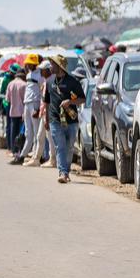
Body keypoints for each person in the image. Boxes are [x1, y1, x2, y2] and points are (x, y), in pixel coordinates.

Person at [45, 54, 86, 183]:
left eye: (52, 64)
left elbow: (83, 99)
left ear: (59, 66)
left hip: (71, 121)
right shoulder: (49, 82)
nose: (50, 66)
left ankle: (65, 171)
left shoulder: (73, 82)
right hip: (55, 120)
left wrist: (70, 102)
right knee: (60, 146)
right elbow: (47, 102)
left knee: (69, 148)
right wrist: (46, 120)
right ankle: (63, 172)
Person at [19, 54, 43, 163]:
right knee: (28, 132)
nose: (27, 65)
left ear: (34, 64)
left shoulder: (40, 75)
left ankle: (33, 155)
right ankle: (27, 154)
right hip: (27, 103)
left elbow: (42, 91)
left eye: (29, 63)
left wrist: (38, 109)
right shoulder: (29, 74)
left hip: (35, 103)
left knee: (36, 131)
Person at [6, 66, 26, 164]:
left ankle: (13, 150)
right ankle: (20, 151)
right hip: (22, 112)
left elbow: (8, 99)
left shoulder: (10, 84)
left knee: (13, 132)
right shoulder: (24, 84)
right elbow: (25, 100)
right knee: (21, 133)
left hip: (13, 111)